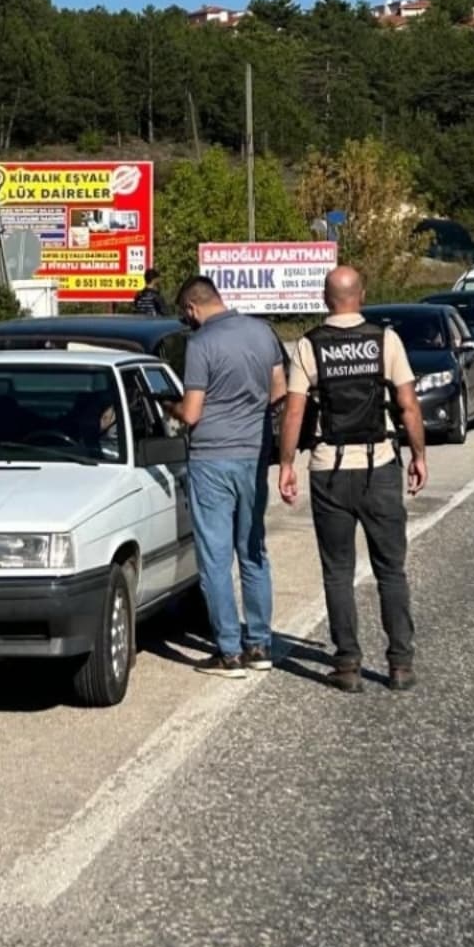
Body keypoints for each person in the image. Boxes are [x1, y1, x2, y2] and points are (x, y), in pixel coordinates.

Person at [278, 265, 427, 693]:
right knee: (391, 571)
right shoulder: (386, 340)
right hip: (379, 465)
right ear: (361, 294)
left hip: (329, 469)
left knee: (338, 572)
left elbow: (294, 411)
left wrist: (286, 463)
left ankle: (347, 664)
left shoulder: (309, 346)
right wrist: (418, 453)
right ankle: (400, 663)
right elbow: (408, 406)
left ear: (326, 299)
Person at [170, 276, 286, 678]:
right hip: (253, 455)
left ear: (191, 309)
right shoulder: (262, 331)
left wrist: (170, 407)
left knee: (216, 559)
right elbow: (279, 391)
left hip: (212, 459)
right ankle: (260, 644)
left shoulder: (200, 344)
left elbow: (192, 413)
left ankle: (229, 652)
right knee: (253, 551)